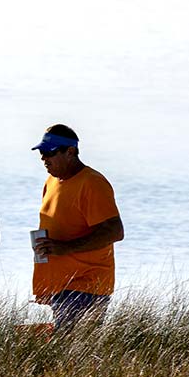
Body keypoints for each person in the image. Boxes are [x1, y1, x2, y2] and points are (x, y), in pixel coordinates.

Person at [30, 124, 124, 330]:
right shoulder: (51, 182)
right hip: (60, 286)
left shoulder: (93, 183)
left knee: (72, 352)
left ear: (70, 152)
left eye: (49, 152)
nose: (43, 158)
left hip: (85, 286)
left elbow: (114, 231)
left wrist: (66, 247)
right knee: (66, 352)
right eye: (42, 153)